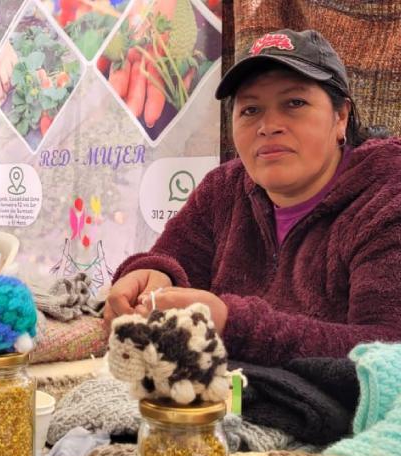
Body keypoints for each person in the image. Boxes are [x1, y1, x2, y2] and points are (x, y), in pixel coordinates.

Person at [105, 29, 401, 366]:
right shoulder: (224, 190)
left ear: (341, 116)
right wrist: (151, 276)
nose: (268, 125)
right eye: (250, 110)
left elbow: (388, 350)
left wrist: (232, 325)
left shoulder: (387, 197)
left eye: (294, 103)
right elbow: (171, 263)